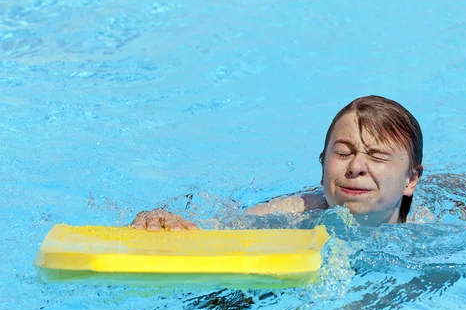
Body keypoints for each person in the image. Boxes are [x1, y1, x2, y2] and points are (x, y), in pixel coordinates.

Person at [132, 95, 424, 230]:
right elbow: (213, 227)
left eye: (376, 156)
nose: (355, 167)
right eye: (343, 153)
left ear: (410, 180)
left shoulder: (428, 229)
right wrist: (163, 219)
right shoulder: (298, 211)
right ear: (323, 166)